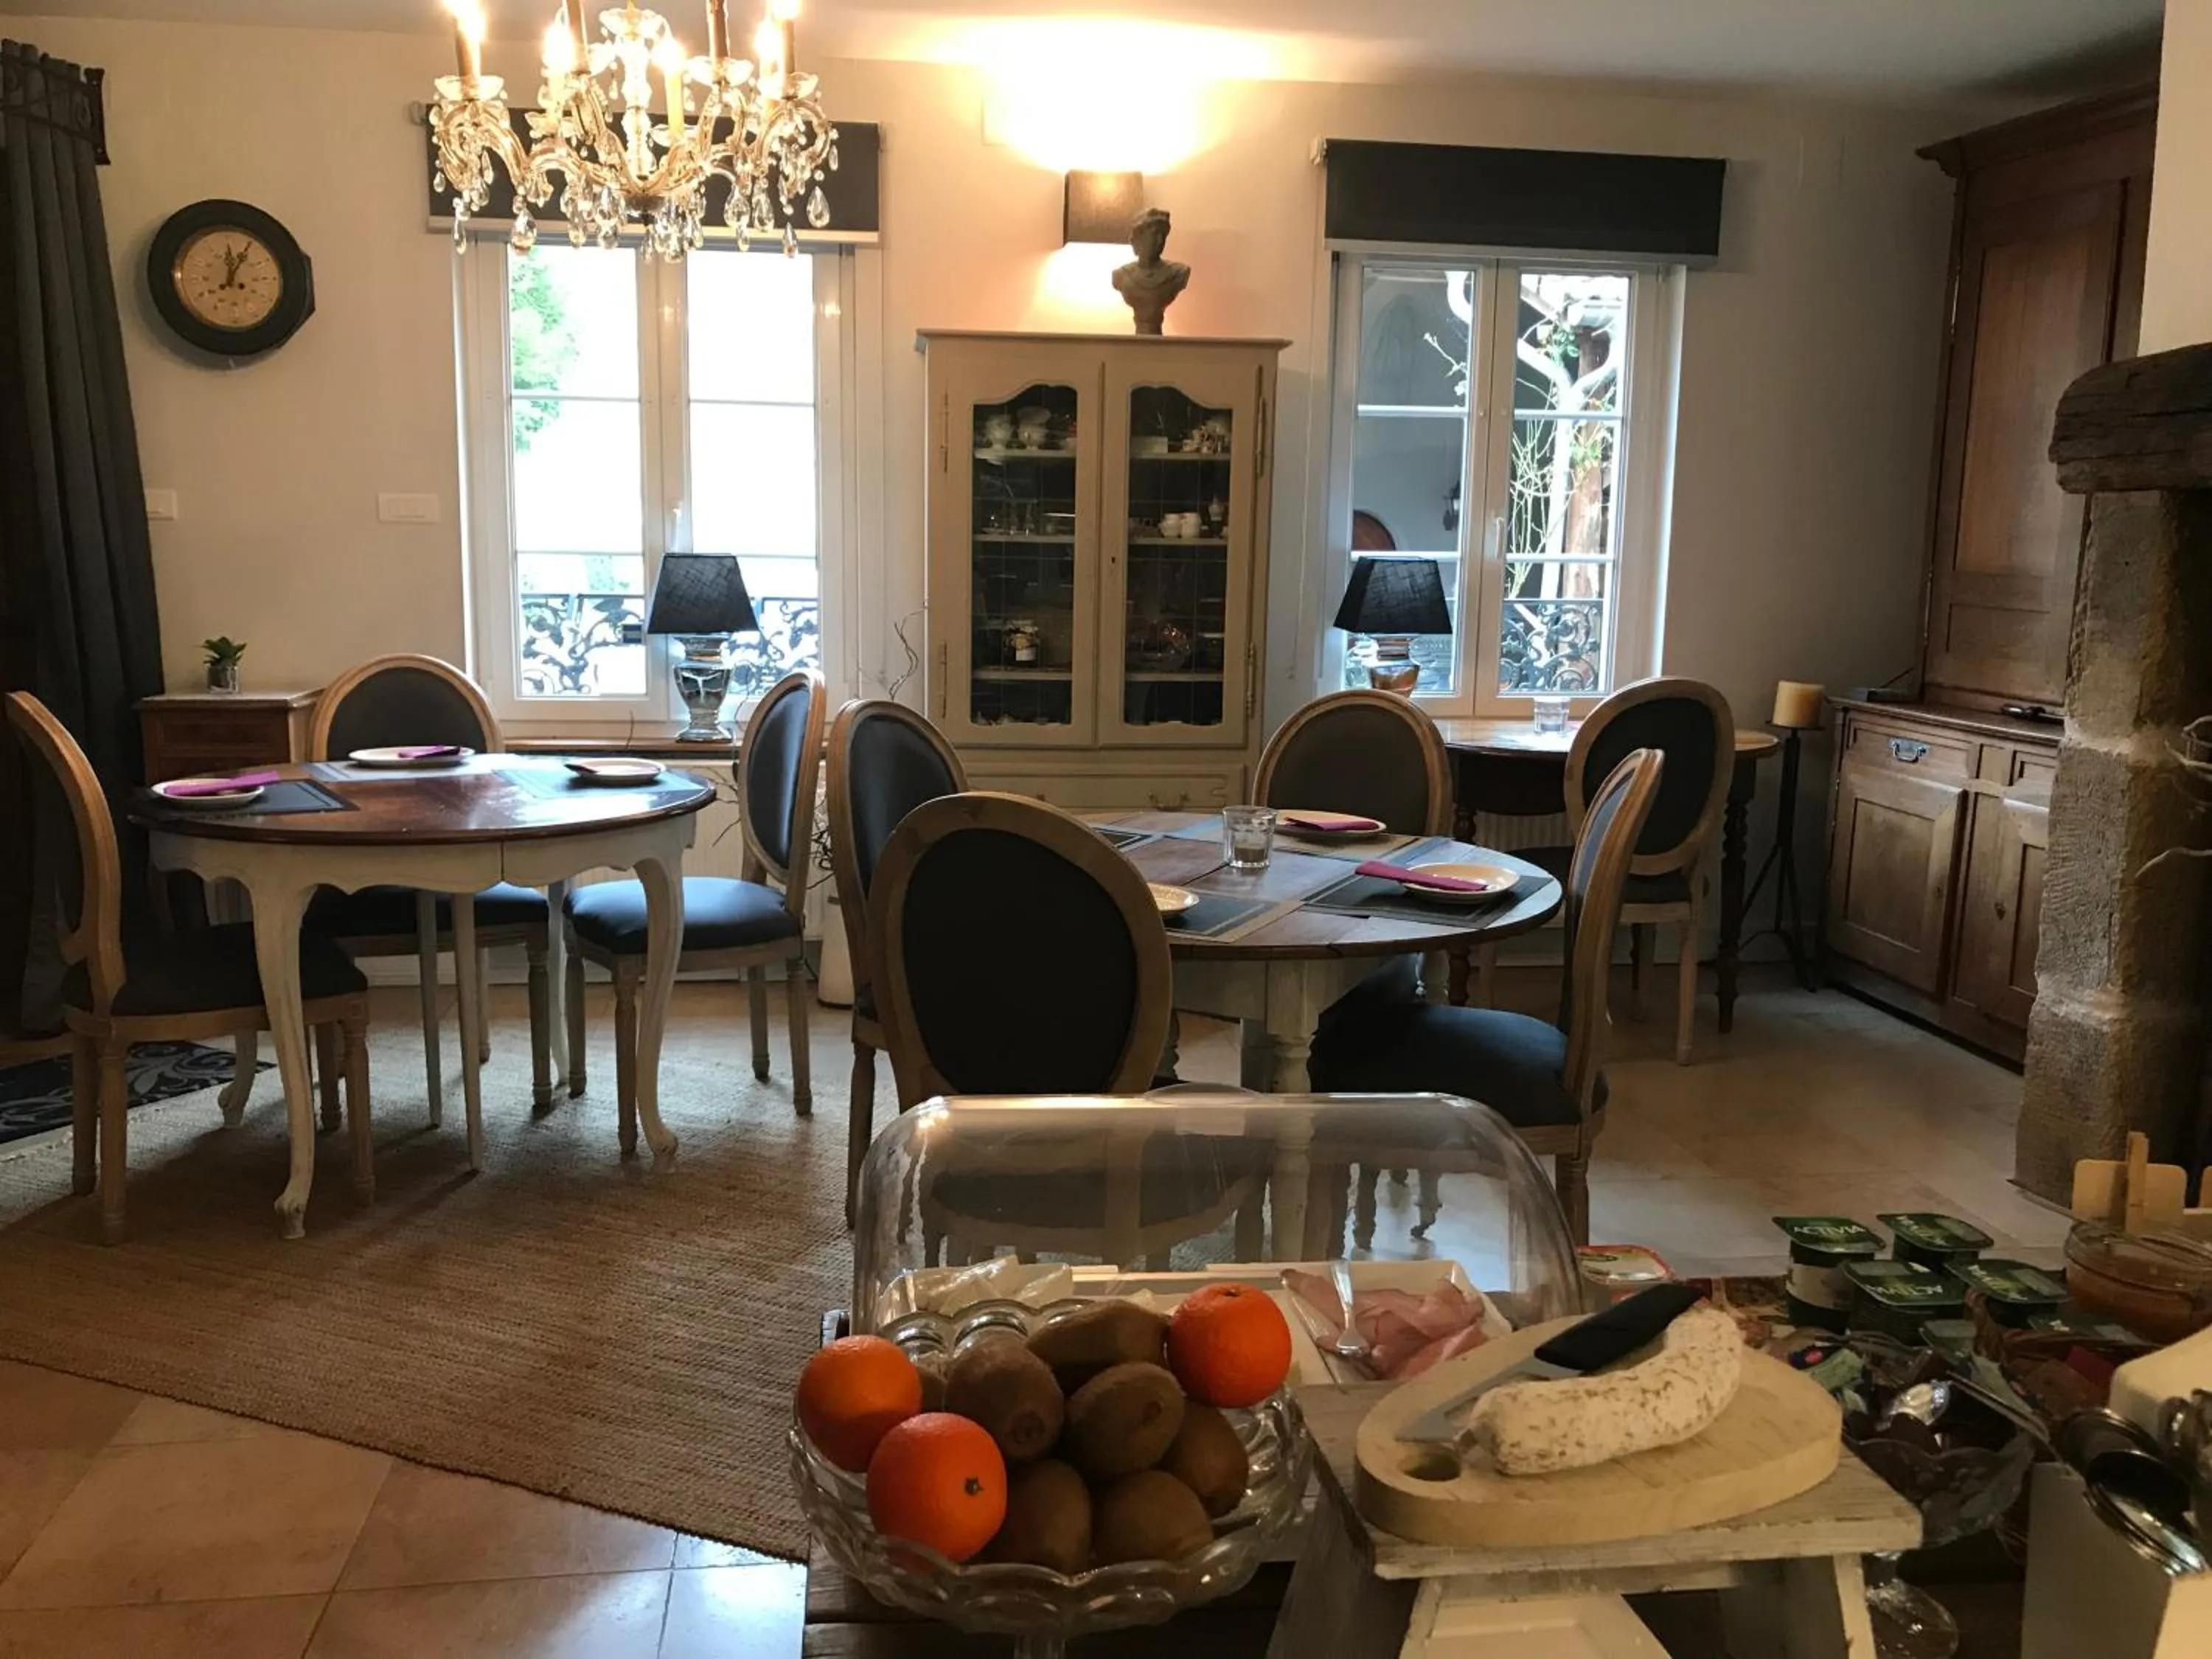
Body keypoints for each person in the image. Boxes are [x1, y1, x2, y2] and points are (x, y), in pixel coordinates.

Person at [1112, 208, 1189, 335]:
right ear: (1140, 236)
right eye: (1155, 234)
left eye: (1163, 236)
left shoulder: (1178, 273)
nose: (1160, 241)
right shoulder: (1121, 275)